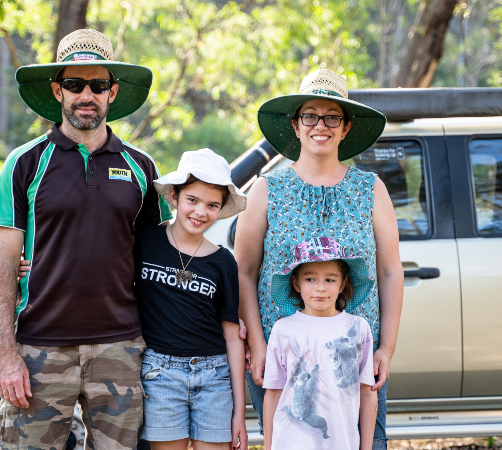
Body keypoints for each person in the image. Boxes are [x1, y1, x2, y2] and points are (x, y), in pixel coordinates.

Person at [0, 29, 171, 450]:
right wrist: (7, 355)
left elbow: (157, 257)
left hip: (121, 348)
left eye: (98, 85)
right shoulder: (25, 163)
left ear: (113, 92)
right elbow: (1, 269)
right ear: (58, 91)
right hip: (39, 349)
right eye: (74, 84)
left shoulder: (141, 167)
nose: (86, 95)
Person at [235, 69, 404, 449]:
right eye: (310, 115)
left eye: (332, 117)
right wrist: (258, 345)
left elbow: (391, 272)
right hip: (283, 357)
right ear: (296, 125)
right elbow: (244, 271)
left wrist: (385, 349)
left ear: (346, 128)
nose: (320, 125)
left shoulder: (370, 189)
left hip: (353, 359)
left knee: (365, 442)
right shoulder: (266, 188)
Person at [134, 149, 248, 450]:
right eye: (192, 200)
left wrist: (239, 412)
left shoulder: (223, 262)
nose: (200, 212)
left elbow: (233, 335)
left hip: (214, 376)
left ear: (222, 208)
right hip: (160, 374)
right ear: (174, 195)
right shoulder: (144, 241)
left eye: (212, 205)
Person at [263, 237, 378, 450]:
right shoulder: (283, 329)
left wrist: (367, 447)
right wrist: (268, 446)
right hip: (291, 443)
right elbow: (273, 393)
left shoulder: (358, 327)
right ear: (296, 283)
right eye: (310, 279)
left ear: (343, 284)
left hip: (343, 443)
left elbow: (367, 392)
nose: (321, 288)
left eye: (330, 280)